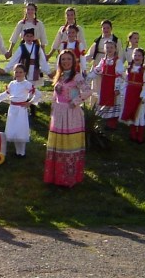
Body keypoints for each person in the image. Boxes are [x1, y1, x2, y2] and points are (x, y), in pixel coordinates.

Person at [44, 50, 91, 188]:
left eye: (68, 59)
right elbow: (55, 95)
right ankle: (56, 175)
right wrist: (53, 107)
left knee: (69, 143)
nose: (66, 62)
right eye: (63, 59)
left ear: (73, 61)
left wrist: (75, 102)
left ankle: (68, 176)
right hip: (58, 113)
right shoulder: (59, 75)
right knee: (58, 143)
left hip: (71, 113)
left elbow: (88, 91)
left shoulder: (76, 76)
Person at [0, 64, 40, 157]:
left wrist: (30, 102)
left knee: (20, 129)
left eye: (20, 72)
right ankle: (17, 152)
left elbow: (38, 94)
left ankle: (22, 152)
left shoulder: (27, 84)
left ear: (25, 73)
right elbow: (6, 94)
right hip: (12, 108)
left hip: (21, 109)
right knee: (14, 129)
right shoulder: (12, 83)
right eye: (16, 72)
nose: (18, 74)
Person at [3, 28, 51, 116]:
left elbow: (42, 60)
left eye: (31, 36)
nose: (29, 38)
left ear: (34, 37)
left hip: (34, 71)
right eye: (27, 36)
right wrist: (6, 69)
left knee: (32, 90)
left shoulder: (37, 47)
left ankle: (32, 110)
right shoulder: (21, 47)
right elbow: (14, 59)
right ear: (23, 37)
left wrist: (48, 71)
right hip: (23, 71)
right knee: (23, 90)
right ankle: (21, 108)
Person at [88, 40, 124, 130]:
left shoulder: (117, 61)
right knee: (104, 100)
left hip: (112, 84)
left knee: (113, 101)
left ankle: (112, 123)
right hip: (104, 84)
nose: (109, 49)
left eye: (111, 47)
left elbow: (119, 75)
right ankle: (104, 120)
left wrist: (117, 88)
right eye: (107, 48)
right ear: (104, 49)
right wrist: (89, 77)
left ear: (115, 49)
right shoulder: (103, 60)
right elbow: (97, 69)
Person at [119, 48, 145, 143]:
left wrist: (143, 95)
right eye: (135, 55)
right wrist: (123, 91)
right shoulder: (129, 68)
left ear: (143, 57)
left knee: (139, 114)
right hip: (130, 93)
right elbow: (126, 81)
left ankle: (140, 136)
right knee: (131, 112)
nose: (137, 57)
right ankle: (132, 134)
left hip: (139, 94)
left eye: (139, 55)